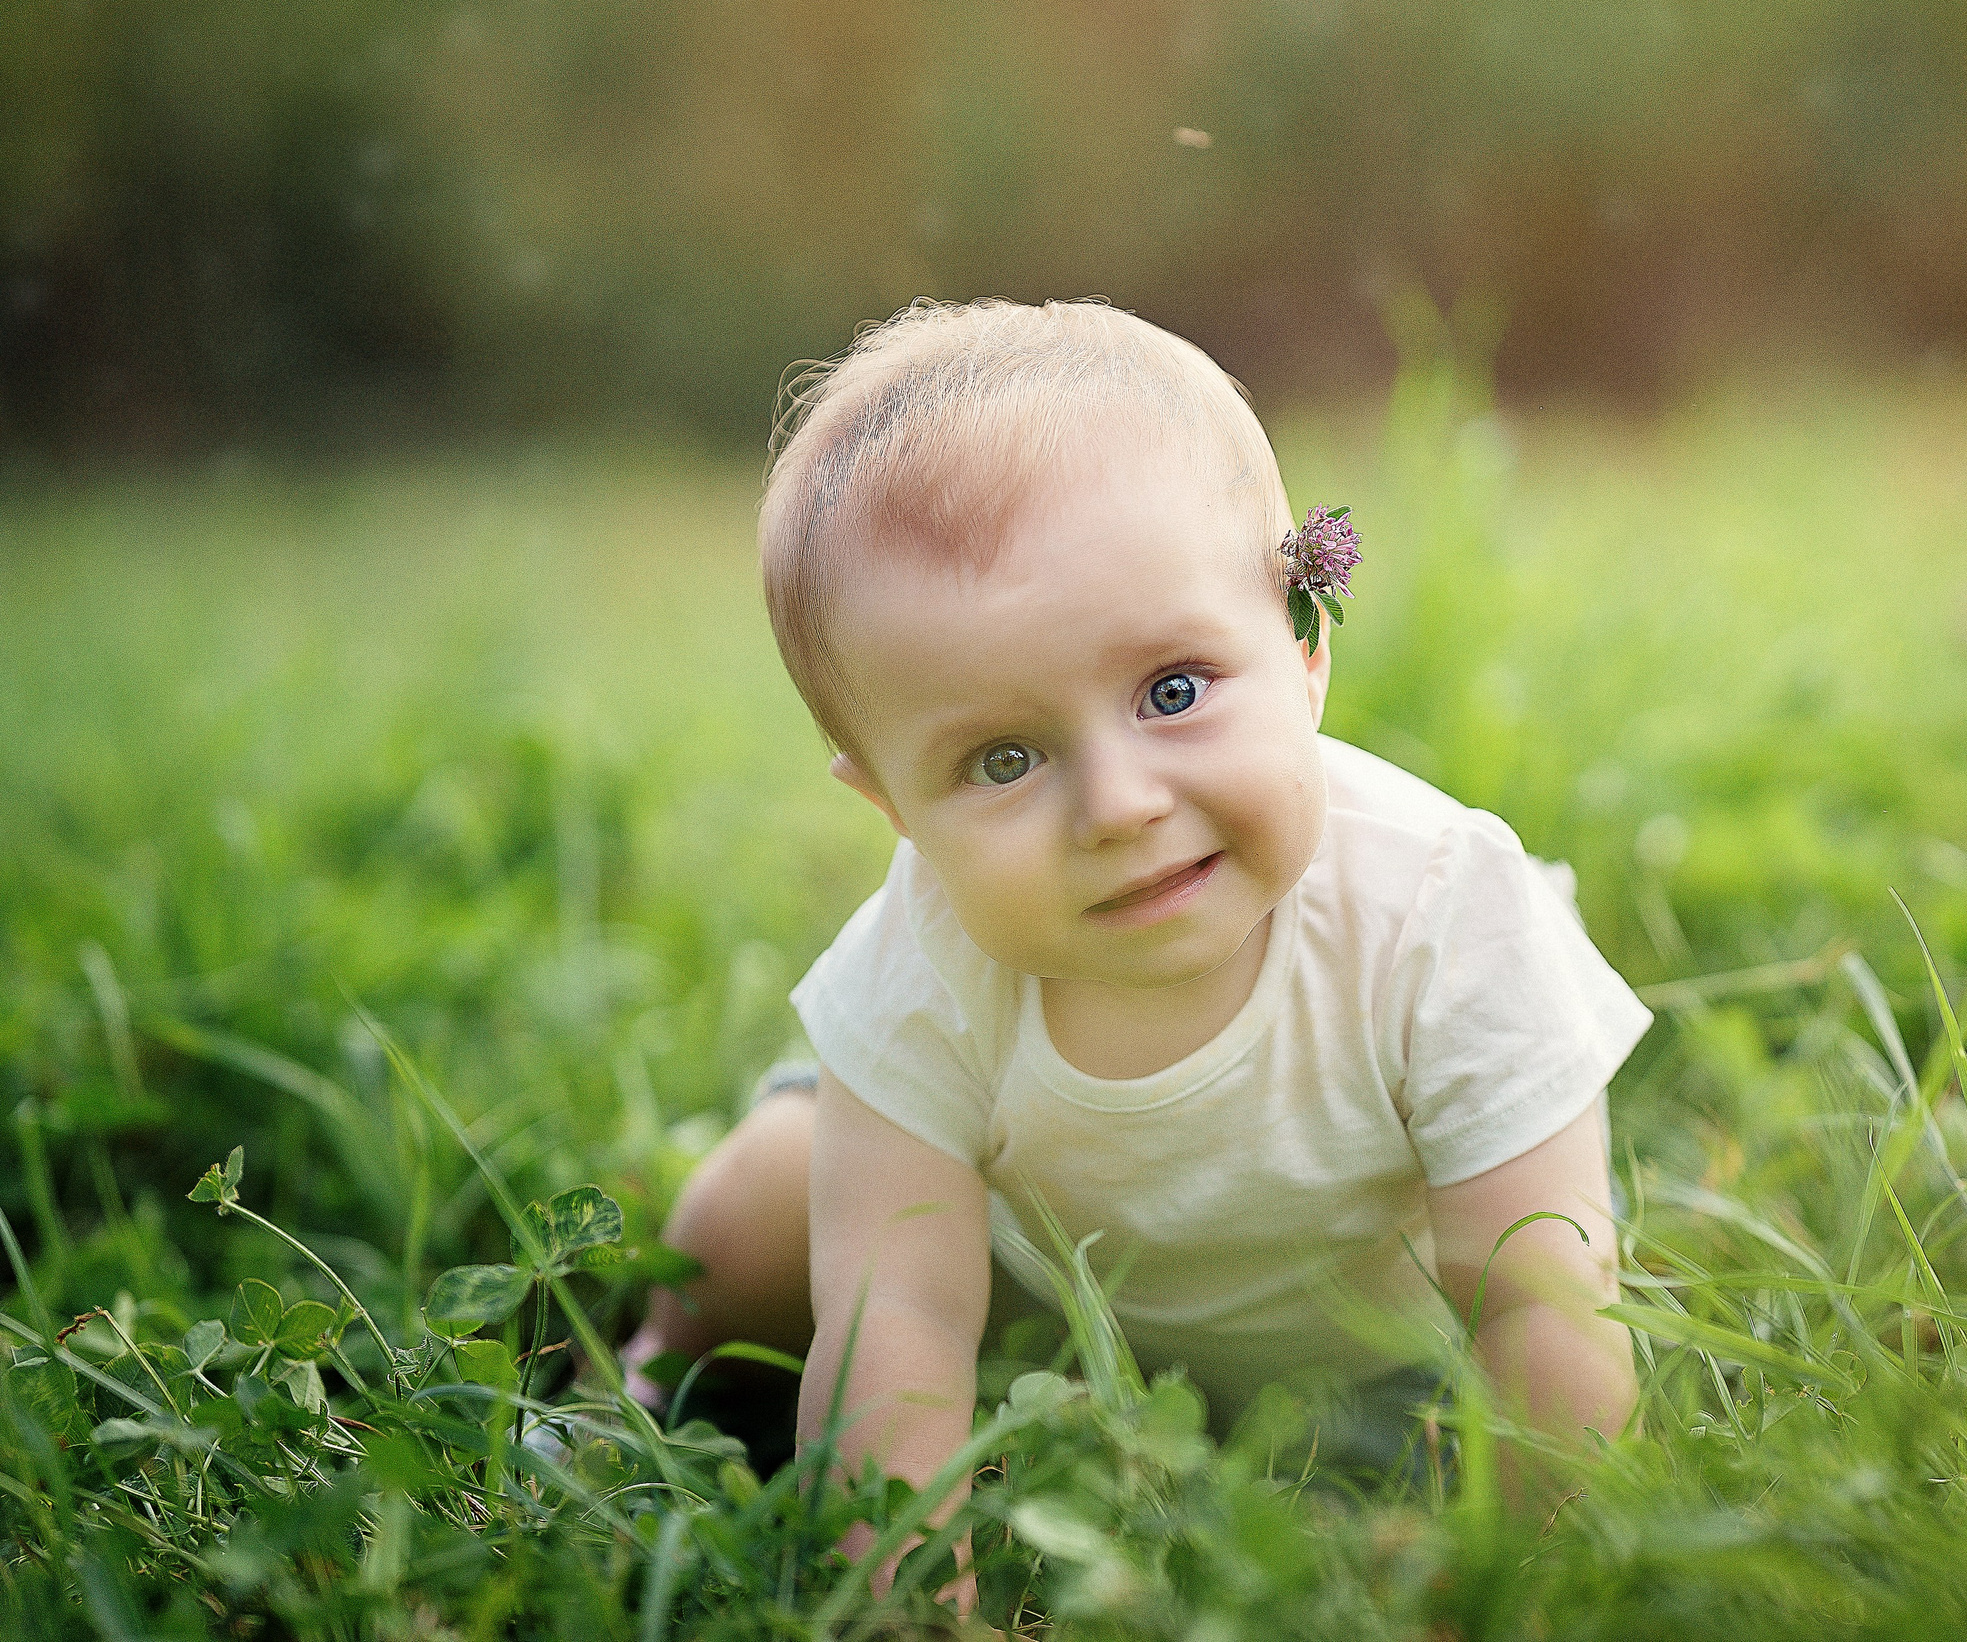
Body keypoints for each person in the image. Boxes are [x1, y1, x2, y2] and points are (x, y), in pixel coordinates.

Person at [620, 298, 1651, 1576]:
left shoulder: (1442, 913)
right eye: (1003, 758)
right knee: (769, 1201)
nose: (1118, 807)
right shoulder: (925, 961)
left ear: (1301, 643)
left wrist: (1520, 1587)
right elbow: (901, 1326)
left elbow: (1536, 1296)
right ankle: (648, 1380)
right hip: (1037, 1308)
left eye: (1173, 692)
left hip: (1376, 1366)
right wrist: (898, 1597)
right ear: (890, 806)